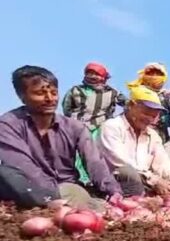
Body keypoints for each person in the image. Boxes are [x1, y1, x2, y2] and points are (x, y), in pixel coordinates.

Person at [0, 66, 121, 210]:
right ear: (22, 97)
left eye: (54, 92)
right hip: (31, 191)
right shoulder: (7, 124)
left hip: (69, 188)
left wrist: (113, 191)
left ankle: (89, 205)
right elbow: (23, 166)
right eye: (40, 93)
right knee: (5, 172)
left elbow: (94, 162)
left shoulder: (74, 127)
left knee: (78, 190)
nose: (49, 99)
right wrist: (52, 194)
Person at [99, 85, 170, 197]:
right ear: (131, 106)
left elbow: (163, 164)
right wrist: (154, 180)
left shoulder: (152, 135)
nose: (150, 119)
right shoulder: (112, 127)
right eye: (146, 113)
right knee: (128, 172)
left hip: (145, 183)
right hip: (115, 184)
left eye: (154, 116)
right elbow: (121, 162)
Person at [62, 62, 127, 187]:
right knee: (76, 155)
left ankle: (97, 181)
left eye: (96, 74)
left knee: (97, 154)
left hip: (100, 127)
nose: (92, 76)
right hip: (78, 126)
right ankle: (79, 180)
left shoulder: (113, 92)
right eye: (89, 73)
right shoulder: (76, 90)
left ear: (103, 77)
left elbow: (128, 104)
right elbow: (67, 108)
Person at [127, 62, 170, 142]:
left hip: (160, 134)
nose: (154, 77)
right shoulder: (138, 92)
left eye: (158, 74)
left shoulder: (166, 96)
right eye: (151, 74)